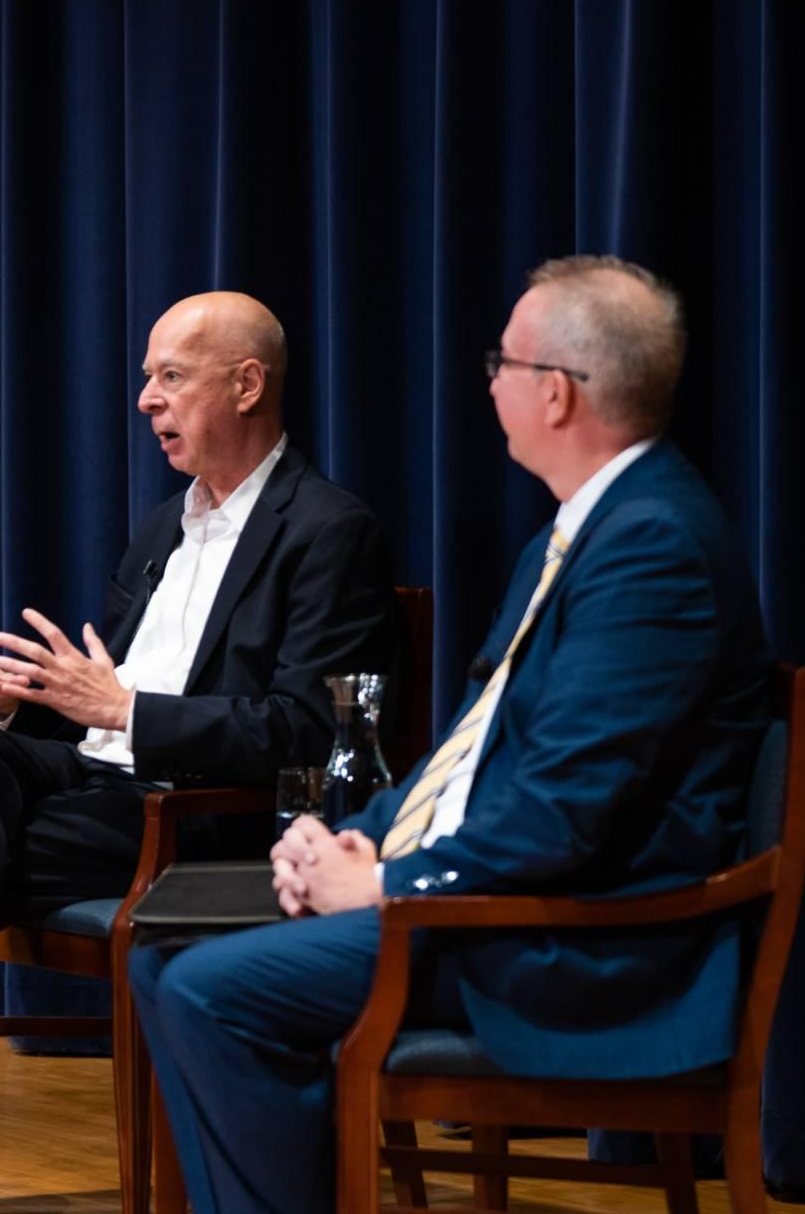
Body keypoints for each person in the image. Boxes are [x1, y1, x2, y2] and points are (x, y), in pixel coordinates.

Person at [131, 256, 772, 1213]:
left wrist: (387, 883)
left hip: (580, 943)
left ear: (555, 394)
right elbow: (470, 756)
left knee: (209, 986)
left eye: (501, 364)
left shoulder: (653, 549)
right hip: (498, 898)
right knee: (162, 950)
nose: (489, 383)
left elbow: (562, 812)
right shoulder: (582, 531)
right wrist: (365, 833)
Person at [0, 292, 400, 1214]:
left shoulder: (327, 530)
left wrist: (125, 706)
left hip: (207, 817)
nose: (144, 400)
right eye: (146, 377)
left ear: (247, 384)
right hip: (102, 793)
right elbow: (97, 711)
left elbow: (306, 732)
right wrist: (15, 702)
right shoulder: (164, 526)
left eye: (169, 376)